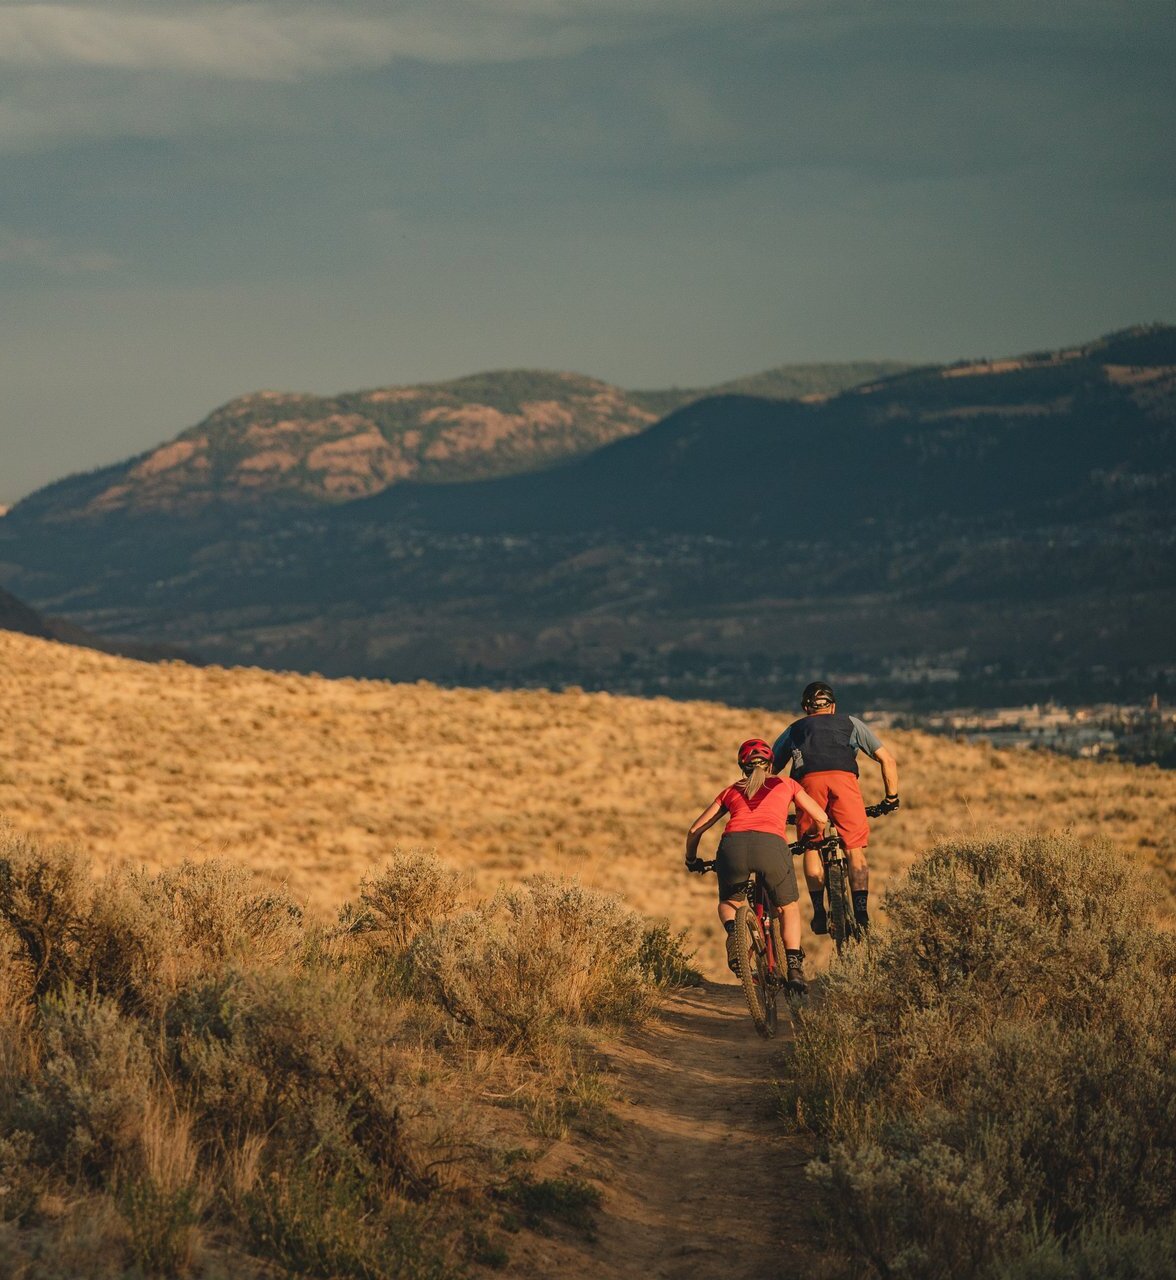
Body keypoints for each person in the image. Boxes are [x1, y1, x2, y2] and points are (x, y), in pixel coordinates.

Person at [684, 736, 829, 993]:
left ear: (743, 767)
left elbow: (695, 830)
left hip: (732, 847)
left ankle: (736, 935)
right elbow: (820, 817)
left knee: (729, 902)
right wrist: (810, 838)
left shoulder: (731, 790)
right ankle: (794, 966)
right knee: (788, 908)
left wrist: (692, 860)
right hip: (772, 846)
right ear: (771, 765)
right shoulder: (787, 784)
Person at [771, 681, 899, 935]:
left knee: (811, 846)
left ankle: (819, 912)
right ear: (833, 707)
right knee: (854, 848)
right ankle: (861, 913)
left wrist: (772, 809)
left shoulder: (794, 729)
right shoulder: (850, 723)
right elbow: (887, 759)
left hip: (808, 785)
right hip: (844, 782)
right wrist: (891, 798)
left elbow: (770, 772)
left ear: (806, 708)